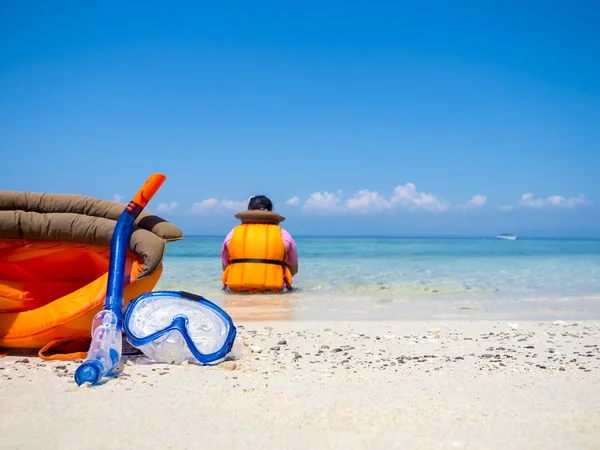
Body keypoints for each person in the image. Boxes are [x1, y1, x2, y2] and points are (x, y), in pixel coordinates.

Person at [221, 195, 298, 293]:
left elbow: (225, 266)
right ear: (270, 211)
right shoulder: (283, 234)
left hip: (238, 291)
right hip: (274, 291)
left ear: (249, 211)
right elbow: (293, 269)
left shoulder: (232, 234)